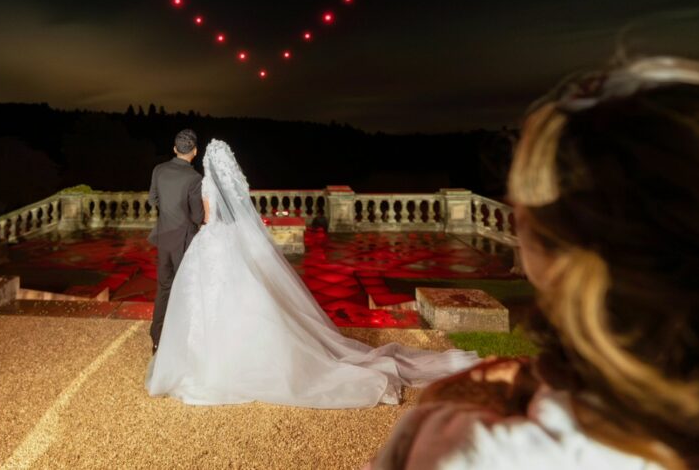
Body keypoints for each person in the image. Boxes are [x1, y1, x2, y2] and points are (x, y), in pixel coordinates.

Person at [367, 56, 699, 469]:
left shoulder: (466, 451)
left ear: (556, 244)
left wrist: (437, 406)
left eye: (519, 198)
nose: (509, 205)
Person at [145, 138, 478, 408]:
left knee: (201, 299)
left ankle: (205, 360)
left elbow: (206, 218)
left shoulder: (203, 185)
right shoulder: (222, 187)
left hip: (209, 244)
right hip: (227, 244)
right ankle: (242, 357)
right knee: (239, 298)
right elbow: (233, 215)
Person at [148, 129, 204, 354]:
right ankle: (180, 340)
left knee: (163, 287)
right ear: (195, 152)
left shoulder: (158, 170)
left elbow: (153, 199)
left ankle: (157, 338)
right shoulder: (194, 178)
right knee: (184, 289)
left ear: (174, 149)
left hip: (164, 239)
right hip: (184, 241)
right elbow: (198, 217)